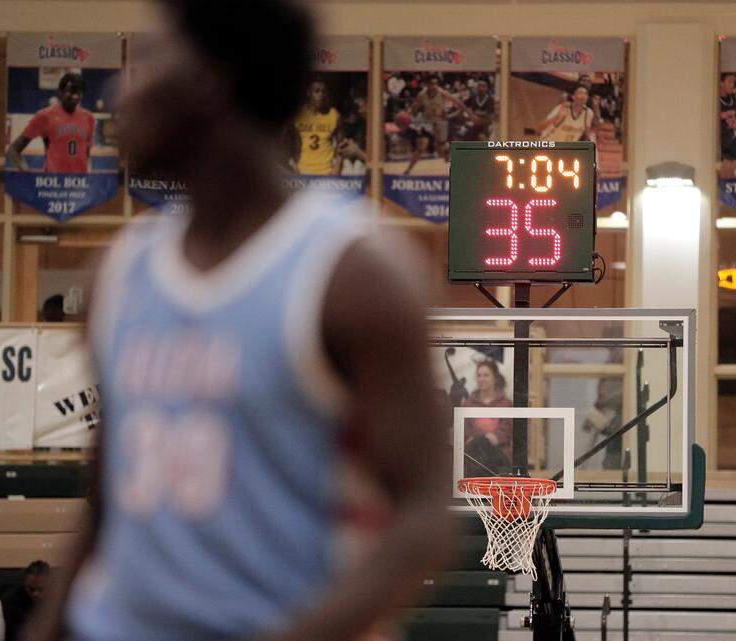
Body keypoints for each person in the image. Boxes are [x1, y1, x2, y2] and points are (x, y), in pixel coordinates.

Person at [24, 3, 449, 641]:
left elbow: (423, 520)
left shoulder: (355, 277)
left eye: (145, 64)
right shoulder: (119, 270)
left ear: (208, 81)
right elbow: (108, 489)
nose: (118, 94)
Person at [6, 73, 94, 174]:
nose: (75, 96)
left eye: (78, 92)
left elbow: (87, 154)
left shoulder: (89, 118)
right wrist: (27, 174)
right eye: (71, 92)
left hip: (80, 184)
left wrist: (89, 180)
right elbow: (13, 150)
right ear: (60, 92)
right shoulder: (44, 116)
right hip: (53, 183)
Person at [461, 360, 512, 476]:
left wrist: (495, 437)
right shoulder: (468, 404)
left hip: (499, 455)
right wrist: (484, 437)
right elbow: (465, 430)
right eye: (479, 375)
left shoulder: (506, 404)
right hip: (474, 456)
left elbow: (507, 429)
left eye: (486, 375)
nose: (481, 379)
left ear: (495, 378)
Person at [0, 560, 50, 641]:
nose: (35, 594)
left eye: (41, 589)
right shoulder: (7, 603)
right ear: (25, 584)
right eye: (31, 589)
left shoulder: (60, 603)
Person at [293, 78, 341, 175]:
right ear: (309, 93)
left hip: (327, 171)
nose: (320, 95)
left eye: (323, 92)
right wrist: (293, 163)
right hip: (303, 170)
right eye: (317, 91)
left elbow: (341, 145)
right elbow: (292, 142)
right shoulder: (298, 115)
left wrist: (337, 166)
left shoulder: (333, 114)